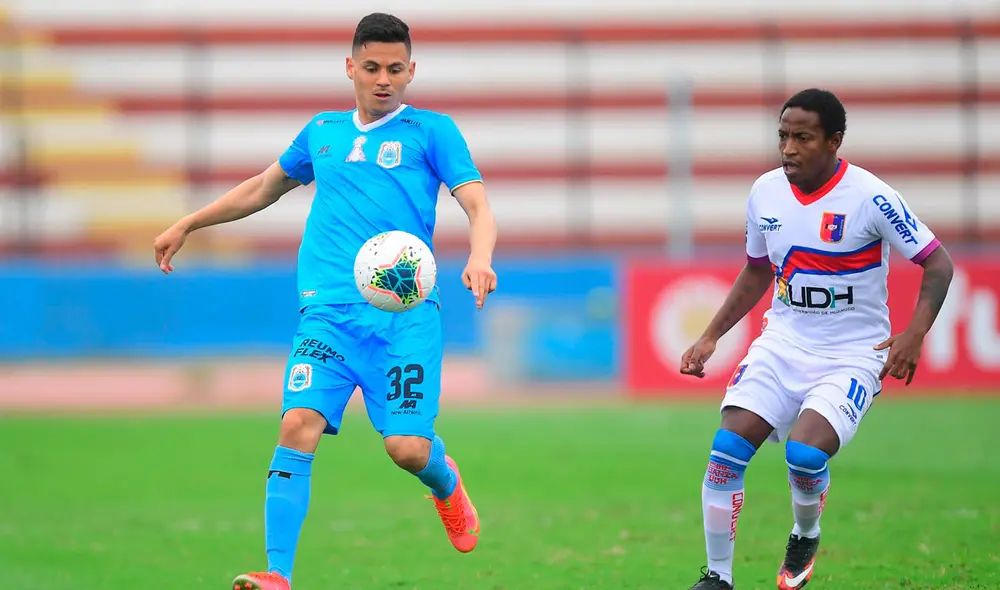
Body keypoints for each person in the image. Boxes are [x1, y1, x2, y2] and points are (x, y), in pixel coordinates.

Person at [153, 13, 498, 590]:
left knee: (408, 450)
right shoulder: (322, 132)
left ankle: (445, 482)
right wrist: (191, 221)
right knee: (297, 424)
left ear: (411, 70)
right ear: (350, 68)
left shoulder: (432, 132)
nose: (382, 79)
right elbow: (263, 188)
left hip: (404, 318)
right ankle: (277, 574)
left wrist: (480, 256)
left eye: (394, 69)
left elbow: (478, 206)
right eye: (371, 68)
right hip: (328, 315)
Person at [680, 88, 954, 590]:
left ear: (834, 141)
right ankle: (717, 578)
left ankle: (805, 534)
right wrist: (710, 336)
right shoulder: (765, 192)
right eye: (783, 136)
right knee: (724, 454)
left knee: (805, 457)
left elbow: (937, 262)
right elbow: (757, 271)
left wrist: (914, 335)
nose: (788, 148)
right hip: (782, 343)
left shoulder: (871, 196)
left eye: (802, 138)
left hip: (852, 355)